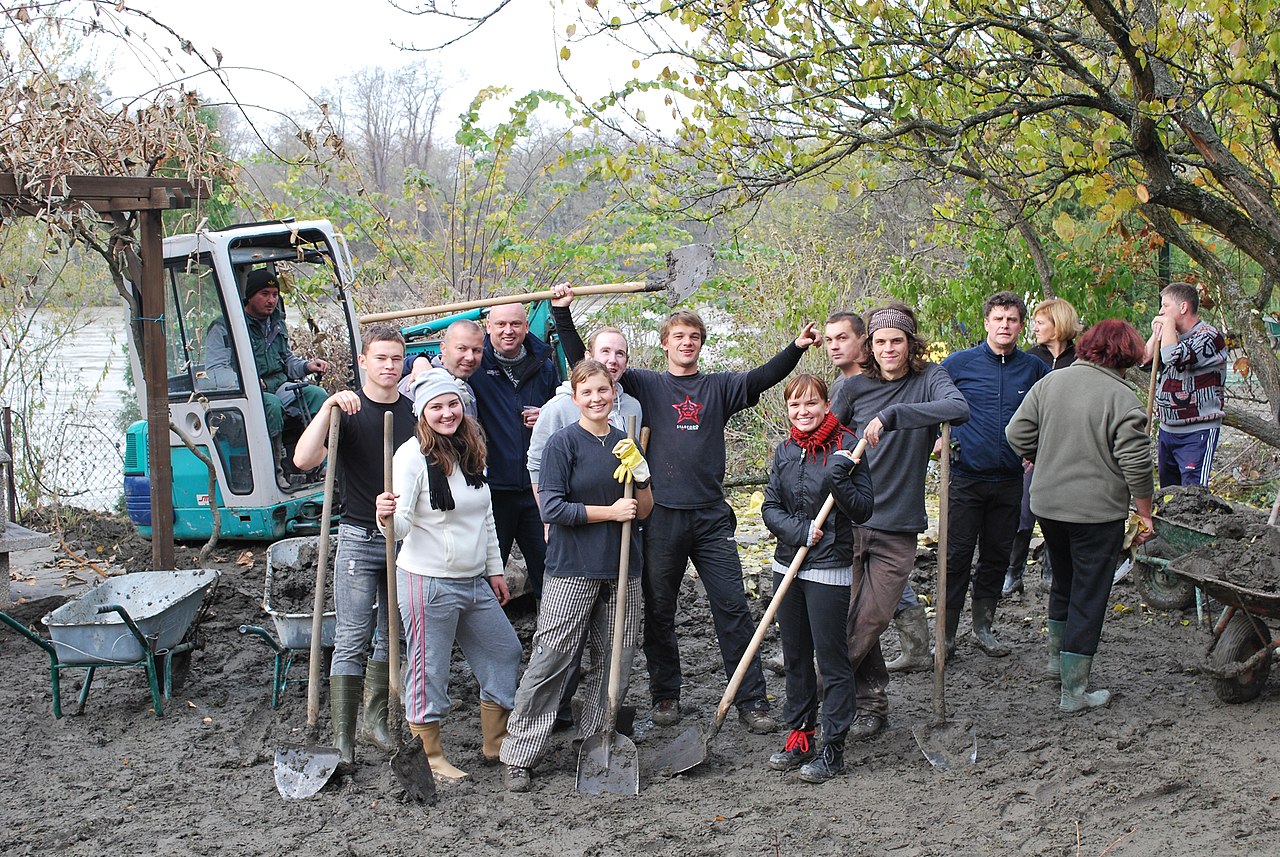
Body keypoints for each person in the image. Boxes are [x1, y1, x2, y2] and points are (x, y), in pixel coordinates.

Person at [557, 288, 821, 733]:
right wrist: (563, 315)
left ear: (701, 343)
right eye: (678, 336)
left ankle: (751, 699)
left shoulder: (718, 387)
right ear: (665, 342)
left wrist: (795, 348)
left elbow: (762, 377)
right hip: (661, 516)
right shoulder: (645, 384)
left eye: (694, 336)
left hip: (711, 516)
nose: (686, 343)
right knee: (659, 609)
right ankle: (666, 695)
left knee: (733, 607)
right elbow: (587, 366)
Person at [500, 360, 654, 792]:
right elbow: (551, 509)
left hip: (623, 568)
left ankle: (595, 740)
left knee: (616, 660)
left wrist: (640, 476)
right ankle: (519, 753)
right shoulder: (562, 444)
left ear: (613, 393)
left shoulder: (626, 442)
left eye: (603, 390)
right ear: (575, 399)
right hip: (573, 568)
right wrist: (610, 511)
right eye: (587, 393)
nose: (597, 398)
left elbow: (643, 511)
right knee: (553, 657)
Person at [831, 302, 969, 742]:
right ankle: (869, 704)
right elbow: (825, 440)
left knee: (870, 619)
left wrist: (892, 417)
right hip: (848, 520)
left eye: (897, 341)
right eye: (880, 341)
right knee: (846, 616)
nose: (888, 349)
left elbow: (957, 408)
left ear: (911, 344)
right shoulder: (852, 388)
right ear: (869, 346)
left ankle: (819, 692)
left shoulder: (929, 380)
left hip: (898, 526)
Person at [375, 368, 522, 781]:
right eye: (436, 406)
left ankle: (495, 742)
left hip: (473, 579)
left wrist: (494, 569)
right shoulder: (410, 457)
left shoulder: (469, 449)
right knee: (429, 667)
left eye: (452, 404)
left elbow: (485, 516)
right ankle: (430, 756)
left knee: (504, 650)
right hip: (428, 581)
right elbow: (400, 528)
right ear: (422, 412)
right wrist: (385, 516)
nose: (446, 413)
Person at [1006, 319, 1154, 712]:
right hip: (1096, 512)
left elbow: (1016, 434)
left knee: (1064, 581)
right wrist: (1145, 513)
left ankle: (1057, 661)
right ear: (1127, 354)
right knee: (1089, 593)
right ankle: (1074, 692)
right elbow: (1136, 465)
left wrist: (1043, 454)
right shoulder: (1123, 399)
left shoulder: (1050, 383)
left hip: (1049, 506)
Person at [292, 326, 416, 765]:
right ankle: (342, 738)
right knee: (351, 636)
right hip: (359, 537)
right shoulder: (346, 412)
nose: (388, 366)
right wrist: (327, 405)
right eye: (380, 358)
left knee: (392, 635)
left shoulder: (412, 413)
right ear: (362, 361)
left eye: (396, 359)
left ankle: (376, 721)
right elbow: (303, 460)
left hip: (403, 540)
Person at [762, 374, 873, 783]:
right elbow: (770, 506)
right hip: (786, 565)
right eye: (794, 405)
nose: (802, 412)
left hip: (829, 568)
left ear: (826, 405)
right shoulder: (785, 450)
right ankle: (800, 736)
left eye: (810, 403)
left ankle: (833, 748)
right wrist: (799, 531)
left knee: (832, 659)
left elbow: (863, 510)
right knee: (794, 657)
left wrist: (839, 480)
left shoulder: (848, 447)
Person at [940, 291, 1048, 657]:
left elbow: (1048, 412)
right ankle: (947, 634)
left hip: (1010, 481)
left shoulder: (1033, 369)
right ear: (986, 322)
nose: (1005, 325)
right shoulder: (958, 364)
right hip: (966, 478)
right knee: (955, 558)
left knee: (996, 556)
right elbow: (929, 405)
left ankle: (984, 627)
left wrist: (1037, 450)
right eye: (998, 319)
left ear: (1021, 326)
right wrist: (935, 445)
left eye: (1012, 319)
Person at [468, 302, 566, 600]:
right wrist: (417, 361)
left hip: (537, 488)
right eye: (501, 325)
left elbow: (564, 407)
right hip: (492, 490)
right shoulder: (476, 364)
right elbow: (440, 366)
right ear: (488, 327)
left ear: (526, 327)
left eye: (515, 324)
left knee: (551, 569)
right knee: (484, 573)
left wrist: (546, 415)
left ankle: (551, 640)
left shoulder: (545, 364)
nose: (508, 331)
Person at [205, 266, 331, 489]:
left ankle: (320, 465)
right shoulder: (224, 327)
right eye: (264, 294)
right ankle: (276, 473)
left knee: (318, 396)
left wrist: (307, 366)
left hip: (280, 387)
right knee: (270, 405)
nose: (271, 300)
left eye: (275, 295)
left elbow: (287, 361)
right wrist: (247, 382)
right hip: (243, 396)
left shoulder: (276, 323)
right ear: (250, 296)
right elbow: (216, 371)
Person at [1004, 297, 1081, 597]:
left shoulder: (1080, 358)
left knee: (1061, 515)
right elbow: (1023, 411)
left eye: (1041, 322)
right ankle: (1013, 572)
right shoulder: (1029, 359)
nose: (1034, 327)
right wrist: (1029, 450)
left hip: (1068, 451)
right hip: (1032, 455)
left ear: (1058, 324)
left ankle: (1053, 570)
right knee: (1023, 515)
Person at [1142, 281, 1227, 488]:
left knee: (1192, 495)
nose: (1160, 312)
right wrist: (1157, 334)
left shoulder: (1209, 336)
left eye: (1165, 306)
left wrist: (1168, 326)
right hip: (1167, 429)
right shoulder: (1171, 337)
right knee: (1168, 493)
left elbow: (1174, 357)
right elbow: (1144, 361)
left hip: (1197, 431)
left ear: (1183, 307)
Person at [401, 319, 483, 418]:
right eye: (461, 349)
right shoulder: (418, 383)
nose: (470, 357)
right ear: (443, 348)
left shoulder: (467, 386)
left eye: (476, 350)